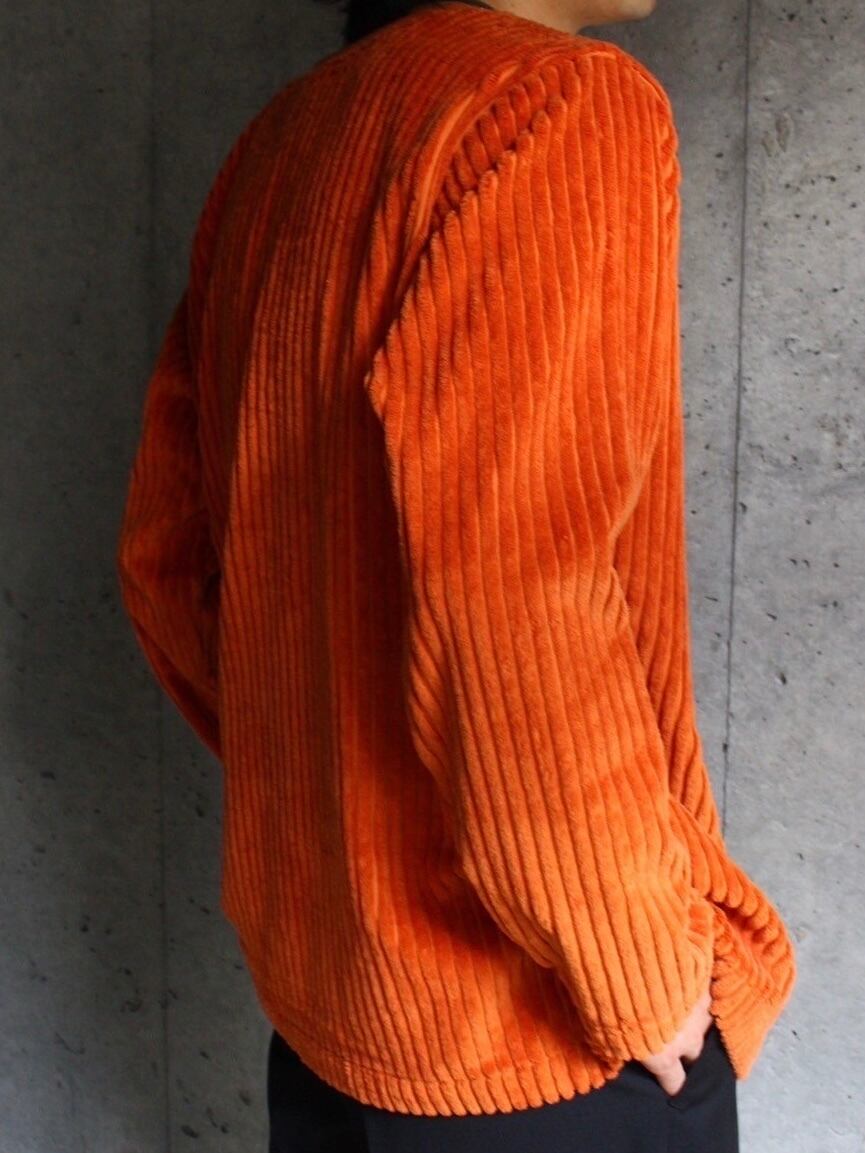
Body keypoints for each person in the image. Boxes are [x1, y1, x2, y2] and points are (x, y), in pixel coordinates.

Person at [116, 0, 797, 1149]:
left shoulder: (283, 142)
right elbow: (509, 593)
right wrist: (635, 961)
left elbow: (165, 561)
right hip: (538, 1034)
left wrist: (335, 798)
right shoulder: (557, 101)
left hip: (333, 1023)